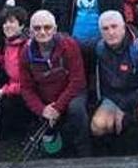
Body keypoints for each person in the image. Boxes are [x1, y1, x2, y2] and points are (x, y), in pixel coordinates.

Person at [19, 10, 91, 157]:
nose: (42, 32)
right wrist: (42, 109)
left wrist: (58, 107)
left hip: (71, 93)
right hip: (45, 98)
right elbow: (26, 88)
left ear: (55, 29)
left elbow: (78, 81)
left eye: (47, 27)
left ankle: (84, 152)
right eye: (37, 28)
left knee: (76, 110)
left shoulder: (69, 45)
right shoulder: (25, 53)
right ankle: (54, 150)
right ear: (30, 31)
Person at [91, 10, 138, 154]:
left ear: (123, 27)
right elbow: (103, 86)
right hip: (114, 98)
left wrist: (123, 106)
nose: (111, 32)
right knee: (97, 125)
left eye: (114, 26)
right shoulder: (100, 49)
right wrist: (116, 106)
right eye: (105, 29)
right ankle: (112, 151)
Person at [0, 7, 31, 136]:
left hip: (25, 92)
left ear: (21, 26)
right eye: (5, 22)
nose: (7, 26)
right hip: (13, 88)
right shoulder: (9, 43)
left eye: (12, 22)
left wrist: (4, 90)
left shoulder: (26, 46)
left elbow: (27, 83)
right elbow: (7, 63)